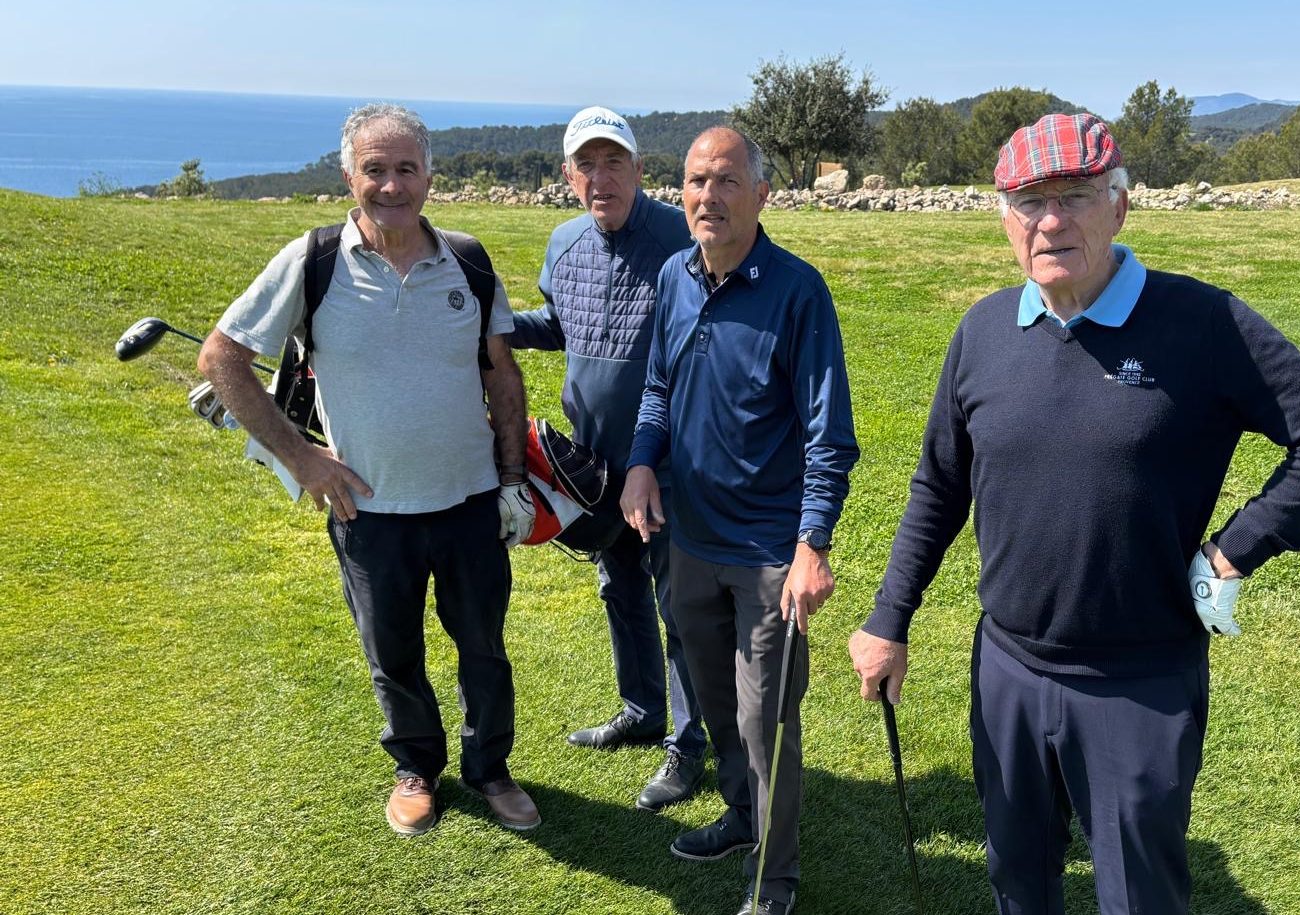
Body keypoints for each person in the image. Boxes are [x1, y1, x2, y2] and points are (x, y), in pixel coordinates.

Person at [847, 113, 1300, 915]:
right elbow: (939, 482)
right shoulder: (983, 330)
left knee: (1139, 897)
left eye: (1073, 196)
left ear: (1119, 206)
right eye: (1029, 201)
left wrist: (1235, 549)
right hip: (1008, 667)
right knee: (1017, 877)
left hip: (1141, 682)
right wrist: (890, 616)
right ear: (1004, 218)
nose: (1051, 221)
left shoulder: (1200, 324)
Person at [198, 103, 541, 837]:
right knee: (393, 654)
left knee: (483, 648)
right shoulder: (313, 261)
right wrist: (300, 456)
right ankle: (417, 767)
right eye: (374, 169)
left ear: (429, 177)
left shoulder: (468, 261)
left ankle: (490, 769)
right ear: (349, 176)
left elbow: (501, 376)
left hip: (470, 500)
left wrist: (513, 480)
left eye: (406, 169)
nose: (391, 185)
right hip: (369, 510)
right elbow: (221, 358)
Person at [621, 126, 859, 915]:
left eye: (726, 181)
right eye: (696, 180)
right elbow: (658, 386)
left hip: (766, 555)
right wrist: (642, 462)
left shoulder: (797, 291)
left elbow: (828, 434)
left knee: (766, 721)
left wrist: (812, 543)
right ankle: (740, 814)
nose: (708, 196)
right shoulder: (675, 275)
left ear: (761, 194)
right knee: (715, 702)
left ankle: (775, 880)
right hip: (689, 541)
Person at [506, 106, 706, 811]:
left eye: (614, 161)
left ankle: (688, 743)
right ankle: (642, 709)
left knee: (679, 603)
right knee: (618, 586)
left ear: (639, 169)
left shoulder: (682, 238)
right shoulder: (564, 243)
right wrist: (490, 325)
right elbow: (560, 326)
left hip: (670, 464)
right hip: (592, 465)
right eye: (586, 165)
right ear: (569, 176)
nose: (601, 177)